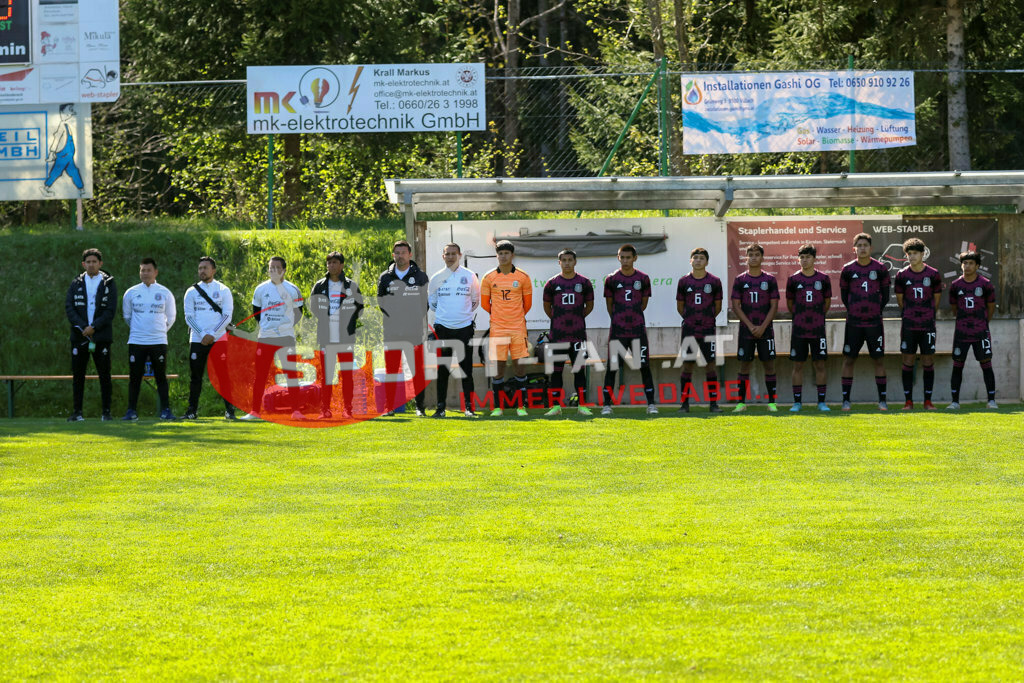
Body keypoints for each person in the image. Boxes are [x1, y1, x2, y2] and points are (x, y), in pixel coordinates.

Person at [242, 256, 305, 421]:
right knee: (260, 375)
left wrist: (284, 326)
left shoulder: (293, 289)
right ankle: (255, 411)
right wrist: (268, 327)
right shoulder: (260, 289)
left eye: (277, 268)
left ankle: (296, 411)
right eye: (271, 268)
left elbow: (299, 313)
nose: (274, 271)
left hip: (286, 338)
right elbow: (257, 312)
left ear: (284, 270)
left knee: (291, 374)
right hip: (266, 338)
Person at [601, 244, 657, 415]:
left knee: (644, 366)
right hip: (617, 331)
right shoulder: (611, 279)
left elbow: (643, 304)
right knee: (612, 367)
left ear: (635, 258)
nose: (625, 260)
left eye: (628, 257)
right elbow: (609, 305)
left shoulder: (643, 278)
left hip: (637, 330)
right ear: (618, 258)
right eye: (622, 257)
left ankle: (651, 405)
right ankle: (606, 405)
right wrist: (619, 320)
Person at [839, 232, 892, 411]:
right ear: (854, 249)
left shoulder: (880, 268)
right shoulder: (847, 269)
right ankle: (846, 400)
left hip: (874, 323)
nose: (862, 248)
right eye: (859, 245)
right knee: (849, 360)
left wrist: (874, 311)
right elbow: (844, 296)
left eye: (865, 245)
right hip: (853, 323)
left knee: (878, 360)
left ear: (871, 248)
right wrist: (855, 310)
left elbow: (885, 296)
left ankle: (882, 401)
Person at [428, 242, 480, 418]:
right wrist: (447, 317)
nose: (450, 257)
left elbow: (475, 300)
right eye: (447, 254)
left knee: (466, 370)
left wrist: (461, 316)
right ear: (443, 256)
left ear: (459, 255)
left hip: (464, 329)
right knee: (443, 370)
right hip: (443, 329)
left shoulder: (470, 275)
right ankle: (440, 408)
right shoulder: (436, 277)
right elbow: (433, 303)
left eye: (453, 254)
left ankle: (469, 408)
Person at [480, 240, 533, 416]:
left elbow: (527, 305)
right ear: (497, 255)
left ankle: (521, 407)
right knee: (498, 368)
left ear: (512, 255)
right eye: (500, 253)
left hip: (518, 328)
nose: (503, 256)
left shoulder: (523, 277)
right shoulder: (488, 277)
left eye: (506, 253)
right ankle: (498, 407)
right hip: (498, 329)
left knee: (520, 367)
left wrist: (514, 317)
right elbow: (485, 304)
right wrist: (499, 317)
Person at [377, 240, 430, 417]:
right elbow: (381, 302)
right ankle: (390, 407)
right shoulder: (385, 277)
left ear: (410, 254)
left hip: (414, 331)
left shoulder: (420, 276)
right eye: (397, 253)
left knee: (417, 370)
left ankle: (420, 407)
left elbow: (424, 304)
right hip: (391, 332)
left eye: (403, 253)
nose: (400, 256)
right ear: (393, 255)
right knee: (391, 370)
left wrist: (411, 319)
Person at [65, 248, 117, 421]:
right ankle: (77, 412)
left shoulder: (109, 283)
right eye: (88, 262)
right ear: (83, 264)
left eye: (94, 262)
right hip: (79, 336)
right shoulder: (76, 283)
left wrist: (94, 326)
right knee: (78, 376)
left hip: (101, 336)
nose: (91, 265)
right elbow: (69, 307)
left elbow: (110, 310)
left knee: (105, 376)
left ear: (100, 264)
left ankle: (106, 412)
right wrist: (83, 327)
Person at [121, 257, 176, 421]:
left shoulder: (165, 292)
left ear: (155, 272)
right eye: (142, 270)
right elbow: (127, 316)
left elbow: (171, 317)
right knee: (135, 378)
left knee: (161, 377)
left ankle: (166, 410)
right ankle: (131, 411)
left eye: (148, 270)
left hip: (158, 341)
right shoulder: (131, 292)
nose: (145, 273)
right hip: (136, 341)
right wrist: (140, 331)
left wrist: (159, 332)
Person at [542, 248, 595, 416]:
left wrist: (577, 318)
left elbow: (589, 306)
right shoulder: (551, 283)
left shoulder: (584, 283)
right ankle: (556, 407)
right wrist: (558, 320)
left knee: (579, 370)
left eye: (570, 260)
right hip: (557, 336)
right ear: (559, 263)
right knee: (556, 371)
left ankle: (582, 406)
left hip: (578, 335)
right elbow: (547, 307)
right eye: (563, 260)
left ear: (575, 262)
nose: (567, 263)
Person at [310, 251, 362, 419]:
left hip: (346, 338)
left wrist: (347, 322)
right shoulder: (320, 285)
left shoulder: (351, 286)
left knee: (346, 375)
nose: (331, 265)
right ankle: (325, 409)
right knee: (327, 376)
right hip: (327, 338)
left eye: (334, 262)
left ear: (341, 265)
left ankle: (347, 409)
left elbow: (359, 308)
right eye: (329, 263)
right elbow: (313, 307)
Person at [182, 256, 235, 420]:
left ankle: (230, 411)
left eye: (205, 268)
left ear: (214, 270)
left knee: (223, 376)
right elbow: (188, 317)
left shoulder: (223, 290)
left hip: (219, 339)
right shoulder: (191, 292)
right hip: (197, 339)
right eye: (200, 268)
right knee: (195, 377)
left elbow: (227, 316)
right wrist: (202, 334)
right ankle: (191, 411)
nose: (202, 271)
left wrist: (212, 333)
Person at [893, 238, 943, 410]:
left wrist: (926, 315)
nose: (912, 256)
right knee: (908, 360)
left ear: (922, 254)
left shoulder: (933, 274)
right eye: (909, 254)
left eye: (915, 253)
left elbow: (936, 301)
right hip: (909, 325)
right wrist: (911, 314)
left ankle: (928, 401)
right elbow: (901, 302)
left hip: (927, 325)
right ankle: (908, 402)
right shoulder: (901, 275)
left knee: (928, 360)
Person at [730, 243, 779, 413]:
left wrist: (762, 327)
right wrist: (751, 326)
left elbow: (774, 306)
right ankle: (741, 403)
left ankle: (772, 403)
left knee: (769, 366)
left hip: (766, 331)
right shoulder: (740, 280)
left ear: (762, 258)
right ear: (746, 258)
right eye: (750, 255)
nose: (753, 258)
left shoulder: (770, 280)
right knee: (744, 366)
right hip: (746, 331)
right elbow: (736, 306)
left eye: (757, 255)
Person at [948, 251, 997, 410]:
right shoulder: (955, 285)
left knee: (986, 364)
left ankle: (991, 401)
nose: (967, 266)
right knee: (958, 365)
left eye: (971, 263)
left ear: (977, 266)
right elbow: (954, 308)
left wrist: (983, 323)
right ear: (961, 265)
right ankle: (955, 402)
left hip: (981, 332)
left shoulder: (985, 284)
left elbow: (991, 307)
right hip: (961, 332)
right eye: (965, 263)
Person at [676, 247, 724, 414]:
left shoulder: (715, 281)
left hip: (707, 329)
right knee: (687, 366)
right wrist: (691, 320)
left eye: (701, 258)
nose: (698, 260)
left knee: (710, 365)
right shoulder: (683, 281)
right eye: (695, 258)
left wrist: (706, 320)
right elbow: (680, 307)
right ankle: (684, 405)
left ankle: (713, 404)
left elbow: (717, 307)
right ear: (691, 261)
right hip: (689, 330)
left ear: (707, 262)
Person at [786, 245, 832, 412]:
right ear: (799, 259)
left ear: (814, 259)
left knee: (820, 365)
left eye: (808, 257)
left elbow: (827, 303)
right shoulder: (793, 279)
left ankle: (821, 402)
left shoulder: (823, 279)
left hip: (818, 329)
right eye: (802, 257)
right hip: (799, 330)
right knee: (798, 366)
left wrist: (816, 317)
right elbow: (790, 304)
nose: (804, 260)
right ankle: (797, 403)